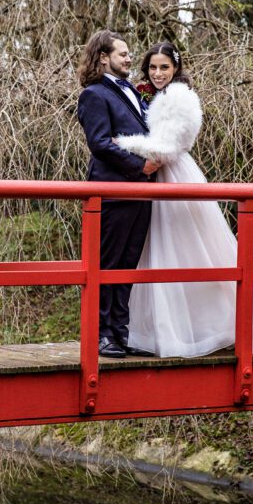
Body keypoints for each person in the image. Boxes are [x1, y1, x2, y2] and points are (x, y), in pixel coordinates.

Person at [115, 42, 253, 358]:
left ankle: (211, 325)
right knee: (154, 251)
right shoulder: (146, 96)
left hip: (172, 174)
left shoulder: (180, 98)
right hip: (154, 176)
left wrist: (122, 146)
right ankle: (158, 327)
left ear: (176, 70)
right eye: (153, 67)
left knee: (188, 249)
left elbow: (166, 148)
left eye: (164, 67)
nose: (157, 73)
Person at [76, 29, 160, 358]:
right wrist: (138, 167)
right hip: (113, 190)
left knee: (128, 265)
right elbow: (99, 142)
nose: (129, 58)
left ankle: (121, 333)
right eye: (122, 53)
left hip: (142, 192)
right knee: (107, 263)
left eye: (127, 53)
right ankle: (100, 334)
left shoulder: (132, 92)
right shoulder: (94, 95)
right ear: (103, 57)